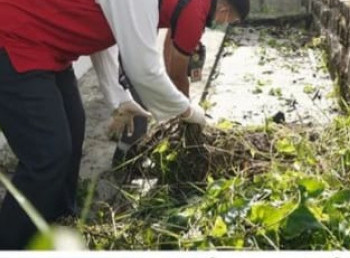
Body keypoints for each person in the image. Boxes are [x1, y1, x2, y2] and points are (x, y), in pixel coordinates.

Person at [0, 0, 217, 249]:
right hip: (9, 36)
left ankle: (60, 224)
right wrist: (190, 112)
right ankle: (10, 248)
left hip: (44, 44)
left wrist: (120, 99)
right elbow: (145, 71)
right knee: (47, 156)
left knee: (73, 131)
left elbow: (103, 39)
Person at [106, 0, 250, 165]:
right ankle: (124, 161)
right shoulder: (196, 14)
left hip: (142, 17)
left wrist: (173, 93)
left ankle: (129, 154)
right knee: (139, 102)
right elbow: (177, 73)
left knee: (143, 88)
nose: (224, 23)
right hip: (131, 20)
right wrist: (187, 109)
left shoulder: (200, 6)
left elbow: (171, 42)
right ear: (225, 9)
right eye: (230, 20)